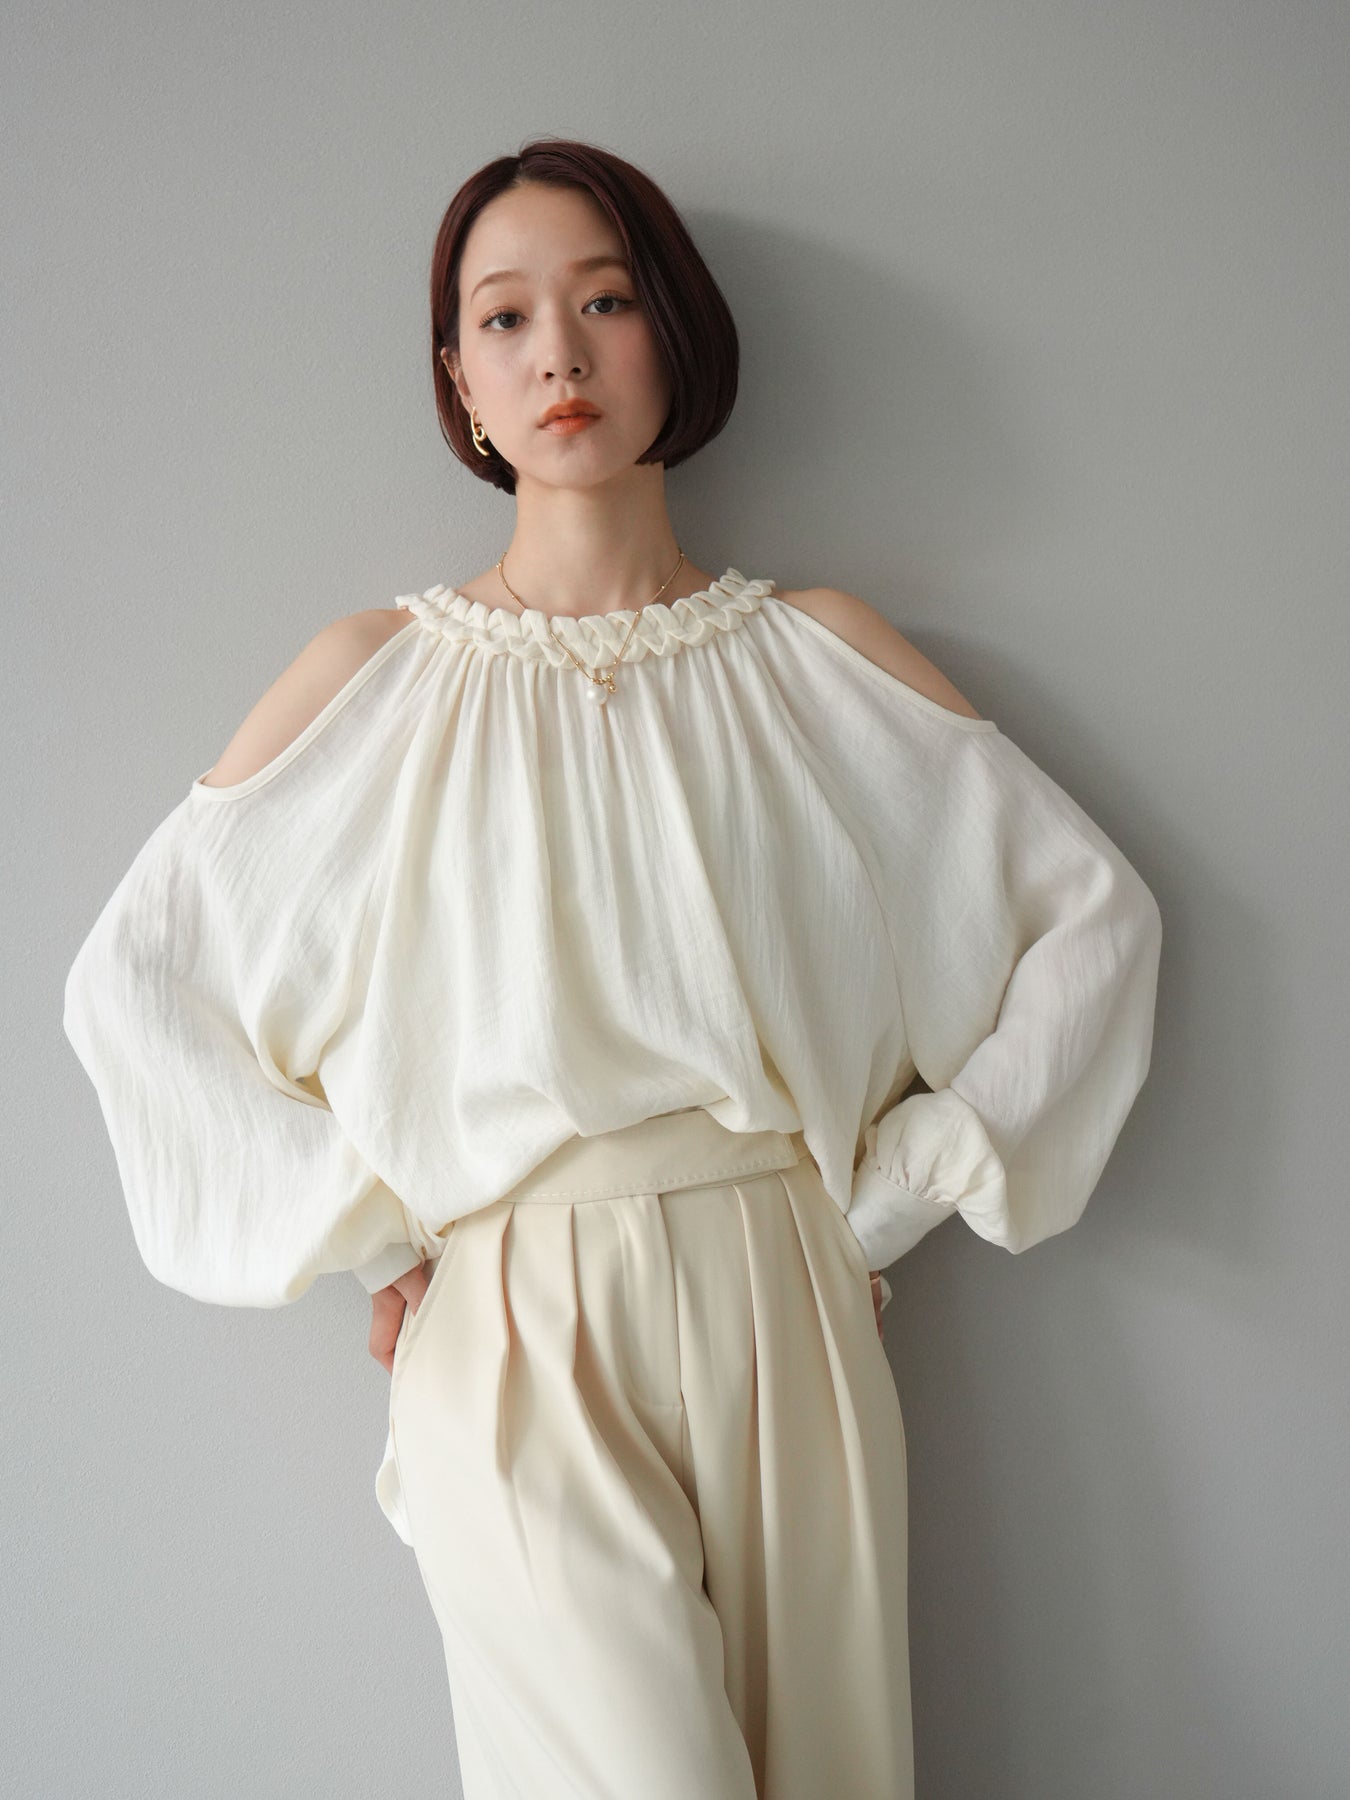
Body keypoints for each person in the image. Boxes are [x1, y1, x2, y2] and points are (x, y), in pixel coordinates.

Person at [61, 137, 1163, 1799]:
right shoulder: (372, 681)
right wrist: (373, 1235)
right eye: (503, 319)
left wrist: (890, 1200)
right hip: (509, 1318)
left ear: (675, 332)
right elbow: (136, 987)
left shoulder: (818, 657)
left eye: (604, 301)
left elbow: (1094, 925)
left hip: (787, 1288)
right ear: (459, 378)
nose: (556, 355)